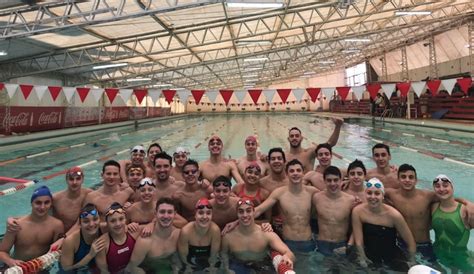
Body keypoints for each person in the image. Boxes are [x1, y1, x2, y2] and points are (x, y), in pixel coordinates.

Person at [244, 159, 319, 253]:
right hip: (288, 243)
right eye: (291, 171)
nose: (295, 173)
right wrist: (237, 221)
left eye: (298, 170)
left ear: (303, 173)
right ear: (287, 174)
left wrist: (343, 183)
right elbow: (259, 210)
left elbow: (329, 198)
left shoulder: (312, 192)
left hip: (308, 242)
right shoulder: (279, 193)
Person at [352, 178, 416, 272]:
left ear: (382, 196)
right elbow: (359, 241)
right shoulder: (358, 212)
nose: (373, 197)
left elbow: (410, 243)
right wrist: (362, 258)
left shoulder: (394, 215)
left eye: (377, 193)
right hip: (369, 254)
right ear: (365, 194)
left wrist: (412, 262)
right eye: (369, 193)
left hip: (391, 257)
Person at [221, 198, 295, 274]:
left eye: (248, 211)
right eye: (241, 212)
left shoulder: (266, 234)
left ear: (254, 212)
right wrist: (226, 269)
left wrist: (286, 256)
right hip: (238, 266)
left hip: (261, 266)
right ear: (237, 213)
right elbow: (223, 255)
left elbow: (290, 253)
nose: (245, 215)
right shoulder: (228, 237)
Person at [0, 186, 64, 267]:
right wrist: (10, 261)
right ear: (31, 203)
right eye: (38, 202)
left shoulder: (57, 225)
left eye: (46, 202)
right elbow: (2, 252)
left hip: (41, 268)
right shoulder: (17, 224)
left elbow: (59, 251)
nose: (42, 207)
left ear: (51, 204)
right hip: (17, 268)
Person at [431, 174, 473, 272]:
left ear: (452, 187)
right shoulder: (433, 207)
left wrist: (468, 203)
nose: (441, 189)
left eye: (445, 185)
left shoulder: (465, 210)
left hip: (460, 259)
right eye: (437, 186)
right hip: (437, 256)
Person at [128, 198, 182, 274]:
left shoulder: (178, 235)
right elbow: (133, 267)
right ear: (155, 213)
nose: (166, 216)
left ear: (175, 214)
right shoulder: (145, 241)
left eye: (170, 212)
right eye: (162, 212)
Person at [312, 166, 356, 256]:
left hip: (341, 244)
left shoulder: (350, 200)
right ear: (324, 181)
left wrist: (349, 246)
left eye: (336, 180)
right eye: (329, 180)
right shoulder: (317, 198)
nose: (332, 183)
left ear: (341, 180)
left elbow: (356, 226)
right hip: (321, 243)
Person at [178, 198, 221, 273]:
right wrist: (189, 268)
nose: (204, 217)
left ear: (212, 215)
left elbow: (213, 257)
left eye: (208, 213)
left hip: (207, 260)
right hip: (191, 260)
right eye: (201, 213)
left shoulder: (215, 231)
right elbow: (184, 259)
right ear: (195, 214)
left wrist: (211, 269)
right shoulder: (186, 232)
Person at [95, 202, 140, 274]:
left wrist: (150, 225)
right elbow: (104, 271)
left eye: (121, 219)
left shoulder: (134, 233)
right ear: (107, 223)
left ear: (126, 219)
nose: (118, 224)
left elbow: (155, 226)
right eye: (113, 221)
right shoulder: (102, 243)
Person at [60, 203, 104, 273]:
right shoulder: (71, 241)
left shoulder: (105, 229)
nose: (91, 224)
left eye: (95, 219)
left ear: (100, 220)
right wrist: (90, 255)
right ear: (80, 224)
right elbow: (66, 269)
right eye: (86, 221)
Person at [52, 166, 92, 232]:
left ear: (83, 179)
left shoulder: (90, 195)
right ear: (66, 180)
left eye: (78, 179)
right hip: (63, 236)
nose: (74, 182)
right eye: (71, 179)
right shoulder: (56, 199)